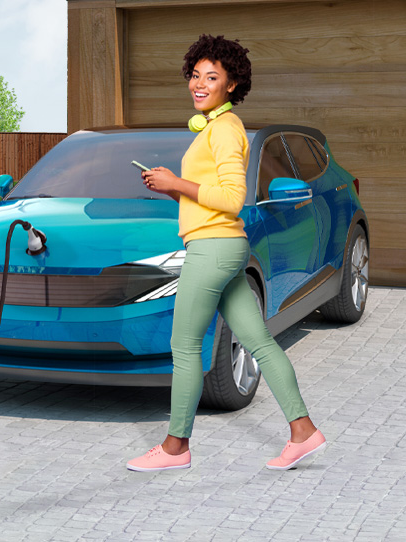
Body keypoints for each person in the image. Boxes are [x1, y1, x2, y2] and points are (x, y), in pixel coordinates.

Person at [129, 34, 324, 472]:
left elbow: (234, 197)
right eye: (195, 76)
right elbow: (211, 198)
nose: (199, 84)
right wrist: (171, 189)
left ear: (231, 85)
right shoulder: (216, 128)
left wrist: (177, 183)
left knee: (183, 346)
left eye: (211, 77)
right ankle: (304, 431)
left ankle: (176, 448)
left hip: (213, 250)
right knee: (258, 341)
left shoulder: (224, 128)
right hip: (225, 246)